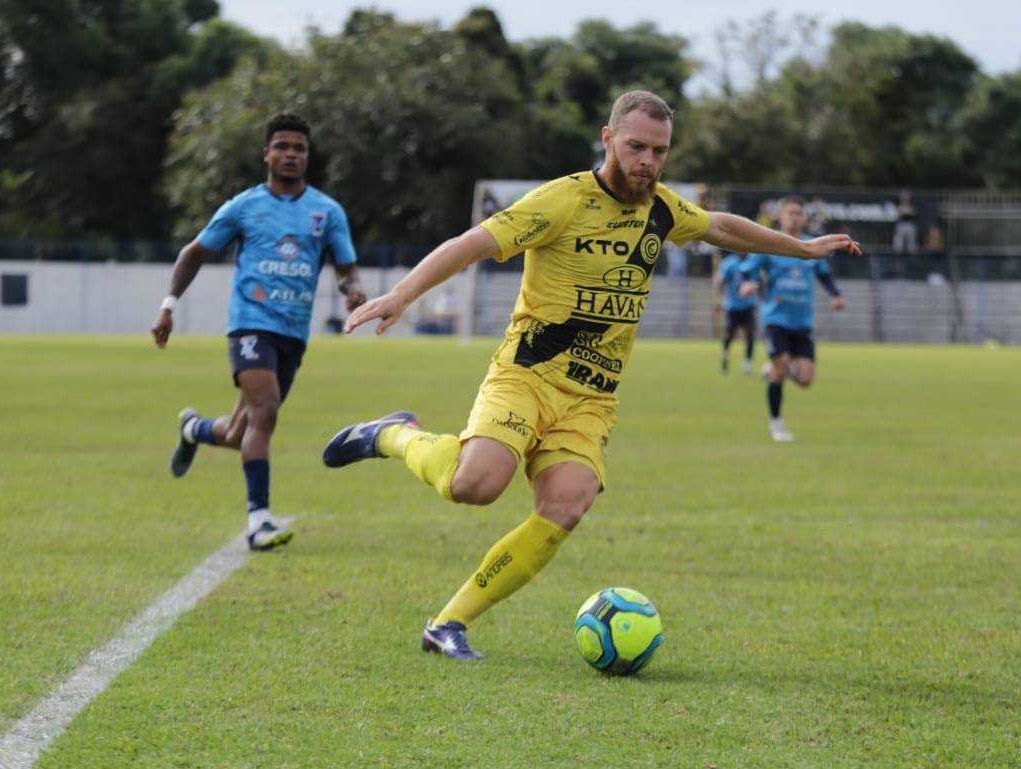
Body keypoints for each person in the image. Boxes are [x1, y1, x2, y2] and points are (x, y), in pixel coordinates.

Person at [320, 91, 861, 660]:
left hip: (592, 398)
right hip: (526, 373)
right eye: (635, 147)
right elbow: (472, 244)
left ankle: (449, 624)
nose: (647, 162)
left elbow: (721, 228)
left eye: (659, 151)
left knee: (566, 504)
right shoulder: (562, 199)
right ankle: (390, 434)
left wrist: (800, 248)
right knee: (474, 485)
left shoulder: (663, 209)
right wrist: (402, 294)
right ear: (607, 139)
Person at [150, 112, 365, 550]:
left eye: (299, 148)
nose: (290, 154)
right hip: (250, 324)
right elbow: (194, 253)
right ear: (266, 153)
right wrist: (168, 306)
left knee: (240, 431)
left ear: (308, 156)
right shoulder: (243, 207)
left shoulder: (327, 212)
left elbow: (346, 270)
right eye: (282, 146)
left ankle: (195, 430)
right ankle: (259, 521)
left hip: (293, 333)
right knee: (265, 411)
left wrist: (353, 290)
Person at [739, 195, 846, 442]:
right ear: (781, 216)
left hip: (802, 322)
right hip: (775, 319)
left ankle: (776, 368)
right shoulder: (769, 244)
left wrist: (836, 295)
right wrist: (747, 285)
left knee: (806, 379)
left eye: (799, 213)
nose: (795, 217)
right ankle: (776, 423)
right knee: (781, 368)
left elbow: (824, 274)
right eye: (790, 212)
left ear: (804, 217)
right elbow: (747, 271)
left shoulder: (812, 245)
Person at [714, 251, 759, 374]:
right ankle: (725, 355)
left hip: (748, 305)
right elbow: (720, 281)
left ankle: (747, 363)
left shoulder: (754, 261)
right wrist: (718, 299)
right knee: (730, 334)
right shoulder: (729, 263)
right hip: (733, 306)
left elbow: (759, 280)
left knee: (750, 333)